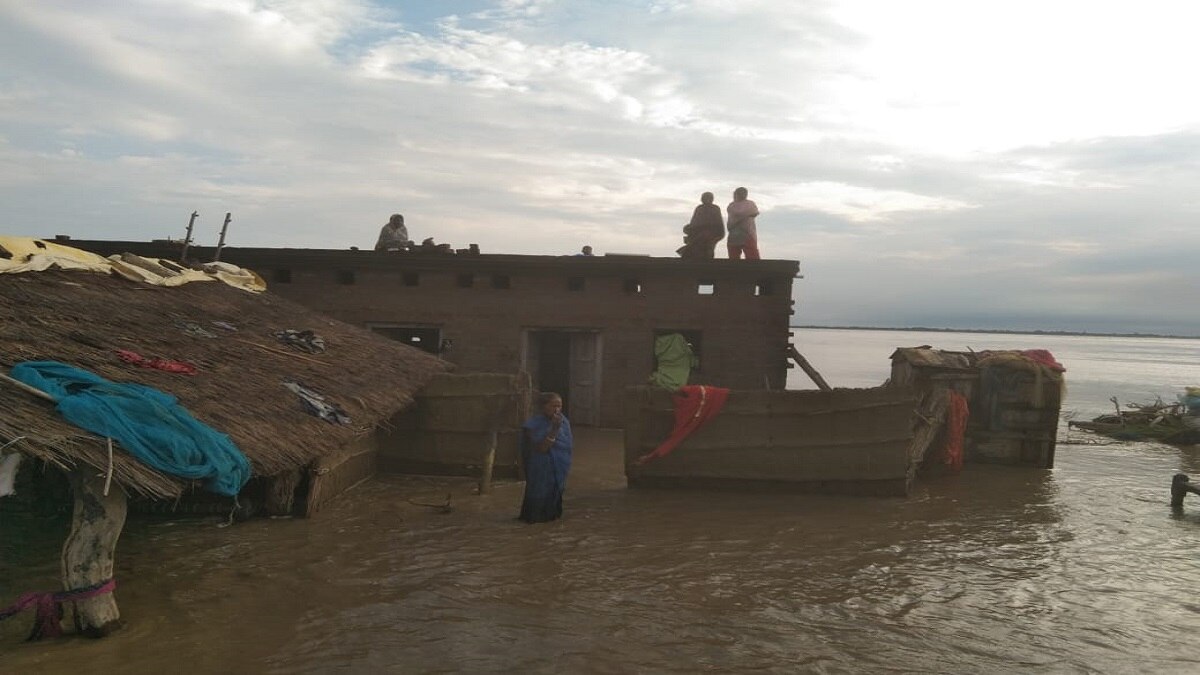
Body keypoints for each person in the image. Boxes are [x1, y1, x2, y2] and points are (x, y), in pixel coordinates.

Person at [518, 392, 573, 523]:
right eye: (553, 406)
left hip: (559, 469)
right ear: (543, 407)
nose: (557, 410)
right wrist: (554, 429)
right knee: (537, 501)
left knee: (554, 506)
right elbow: (541, 448)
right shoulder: (532, 425)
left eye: (560, 406)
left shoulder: (564, 422)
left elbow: (567, 447)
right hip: (540, 469)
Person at [682, 192, 725, 259]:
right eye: (704, 198)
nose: (705, 200)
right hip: (698, 233)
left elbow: (718, 224)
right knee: (692, 249)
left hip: (711, 233)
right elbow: (694, 222)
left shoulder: (715, 208)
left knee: (707, 249)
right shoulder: (699, 208)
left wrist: (717, 235)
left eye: (707, 198)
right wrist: (689, 229)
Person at [726, 187, 760, 260]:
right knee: (733, 253)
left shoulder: (749, 203)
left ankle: (755, 269)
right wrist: (745, 216)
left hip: (747, 231)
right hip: (734, 232)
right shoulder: (732, 205)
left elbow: (754, 212)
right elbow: (752, 213)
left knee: (751, 254)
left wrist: (742, 217)